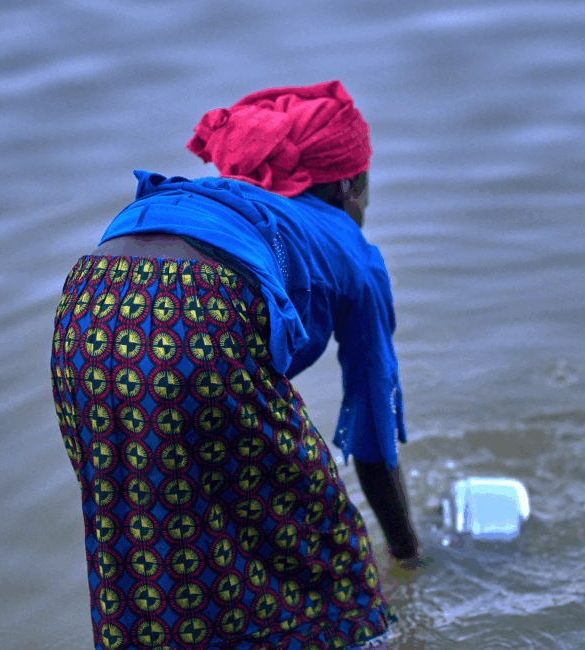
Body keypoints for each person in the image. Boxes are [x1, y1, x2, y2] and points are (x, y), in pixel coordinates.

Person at [50, 80, 421, 650]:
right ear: (350, 184)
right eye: (366, 190)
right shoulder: (353, 251)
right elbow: (373, 431)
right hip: (202, 313)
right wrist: (405, 553)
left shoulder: (215, 198)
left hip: (86, 305)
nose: (365, 206)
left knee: (145, 527)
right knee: (322, 538)